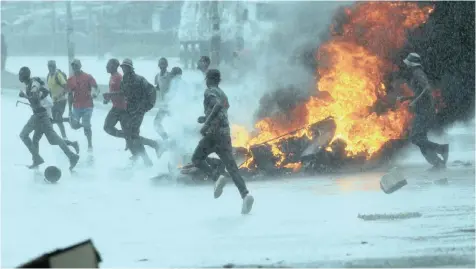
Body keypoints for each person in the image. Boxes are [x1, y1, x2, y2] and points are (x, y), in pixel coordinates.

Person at [192, 69, 254, 214]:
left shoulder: (210, 92)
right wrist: (205, 117)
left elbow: (217, 105)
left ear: (209, 79)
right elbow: (221, 110)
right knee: (232, 168)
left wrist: (206, 124)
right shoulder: (223, 94)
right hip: (225, 135)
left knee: (196, 159)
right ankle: (245, 195)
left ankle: (216, 177)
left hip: (213, 134)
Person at [18, 67, 79, 170]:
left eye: (20, 75)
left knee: (24, 135)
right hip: (41, 115)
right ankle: (70, 155)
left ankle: (38, 158)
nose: (19, 77)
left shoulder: (33, 84)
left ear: (23, 76)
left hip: (40, 115)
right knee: (43, 139)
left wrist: (25, 96)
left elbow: (35, 98)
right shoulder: (32, 83)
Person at [398, 53, 449, 169]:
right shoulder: (416, 73)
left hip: (424, 111)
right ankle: (438, 164)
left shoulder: (417, 73)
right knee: (421, 139)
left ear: (411, 64)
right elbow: (420, 93)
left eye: (407, 63)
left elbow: (426, 89)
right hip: (423, 110)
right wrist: (406, 98)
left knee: (415, 138)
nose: (406, 65)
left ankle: (441, 148)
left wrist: (414, 102)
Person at [103, 58, 158, 166]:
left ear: (130, 68)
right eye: (123, 67)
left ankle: (148, 155)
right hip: (130, 111)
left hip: (135, 111)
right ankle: (149, 151)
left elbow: (152, 90)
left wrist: (147, 106)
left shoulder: (138, 79)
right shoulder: (124, 80)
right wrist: (110, 96)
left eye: (126, 67)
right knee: (132, 136)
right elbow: (123, 93)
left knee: (133, 136)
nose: (124, 69)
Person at [66, 59, 99, 151]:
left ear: (80, 66)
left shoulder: (88, 77)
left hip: (87, 105)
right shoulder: (70, 80)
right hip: (76, 106)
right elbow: (69, 95)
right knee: (73, 125)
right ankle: (85, 126)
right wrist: (69, 109)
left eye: (76, 65)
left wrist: (94, 93)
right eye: (73, 66)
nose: (74, 67)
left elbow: (96, 87)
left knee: (86, 123)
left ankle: (90, 144)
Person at [46, 60, 69, 139]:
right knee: (52, 119)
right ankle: (51, 135)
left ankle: (64, 137)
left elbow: (66, 87)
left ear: (54, 66)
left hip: (62, 100)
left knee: (58, 118)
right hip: (53, 101)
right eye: (49, 66)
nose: (50, 68)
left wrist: (59, 96)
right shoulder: (48, 76)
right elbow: (50, 89)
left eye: (52, 66)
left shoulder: (58, 75)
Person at [153, 57, 172, 140]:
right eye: (161, 64)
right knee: (156, 123)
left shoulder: (170, 75)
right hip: (164, 104)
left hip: (172, 104)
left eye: (164, 64)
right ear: (158, 65)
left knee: (178, 122)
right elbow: (158, 87)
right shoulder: (157, 76)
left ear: (167, 65)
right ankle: (165, 137)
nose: (162, 65)